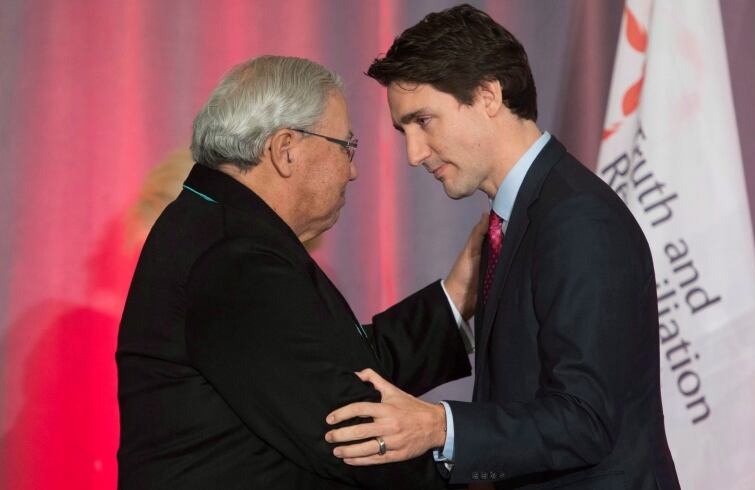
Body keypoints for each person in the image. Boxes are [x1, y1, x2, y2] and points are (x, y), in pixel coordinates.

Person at [325, 5, 681, 489]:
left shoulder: (577, 219)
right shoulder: (519, 217)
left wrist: (438, 426)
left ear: (488, 95)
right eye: (403, 130)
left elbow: (585, 422)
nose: (413, 154)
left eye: (424, 120)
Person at [116, 55, 483, 489]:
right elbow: (345, 430)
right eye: (346, 146)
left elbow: (341, 369)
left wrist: (459, 293)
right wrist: (488, 462)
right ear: (285, 149)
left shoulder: (217, 225)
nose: (353, 170)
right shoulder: (235, 255)